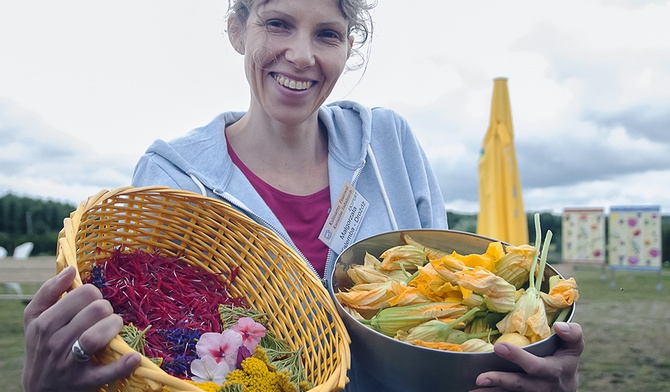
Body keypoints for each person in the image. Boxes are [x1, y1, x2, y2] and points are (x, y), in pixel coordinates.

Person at [22, 0, 584, 391]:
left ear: (348, 46)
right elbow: (157, 363)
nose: (301, 55)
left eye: (327, 34)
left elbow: (450, 313)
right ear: (237, 28)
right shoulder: (172, 176)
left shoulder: (389, 143)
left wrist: (526, 367)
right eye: (278, 23)